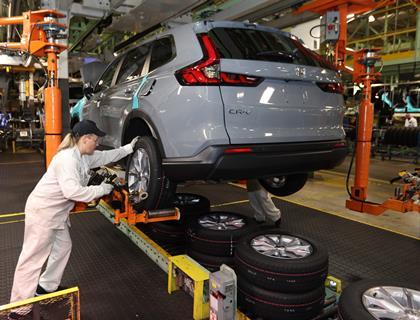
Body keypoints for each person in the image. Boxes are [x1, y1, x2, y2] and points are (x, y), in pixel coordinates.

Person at [9, 120, 138, 318]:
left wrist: (130, 147)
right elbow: (72, 191)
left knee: (63, 247)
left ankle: (46, 287)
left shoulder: (84, 156)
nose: (97, 144)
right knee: (32, 258)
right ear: (85, 139)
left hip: (57, 214)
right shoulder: (67, 159)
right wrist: (101, 189)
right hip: (43, 212)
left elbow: (107, 155)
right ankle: (18, 309)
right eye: (95, 140)